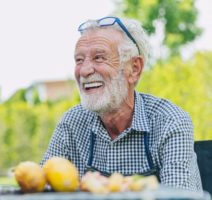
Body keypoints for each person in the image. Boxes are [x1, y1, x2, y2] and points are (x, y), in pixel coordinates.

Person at [41, 16, 202, 191]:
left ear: (134, 68)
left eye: (99, 57)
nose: (84, 70)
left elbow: (179, 197)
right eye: (79, 60)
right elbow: (41, 188)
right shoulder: (72, 122)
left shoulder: (170, 122)